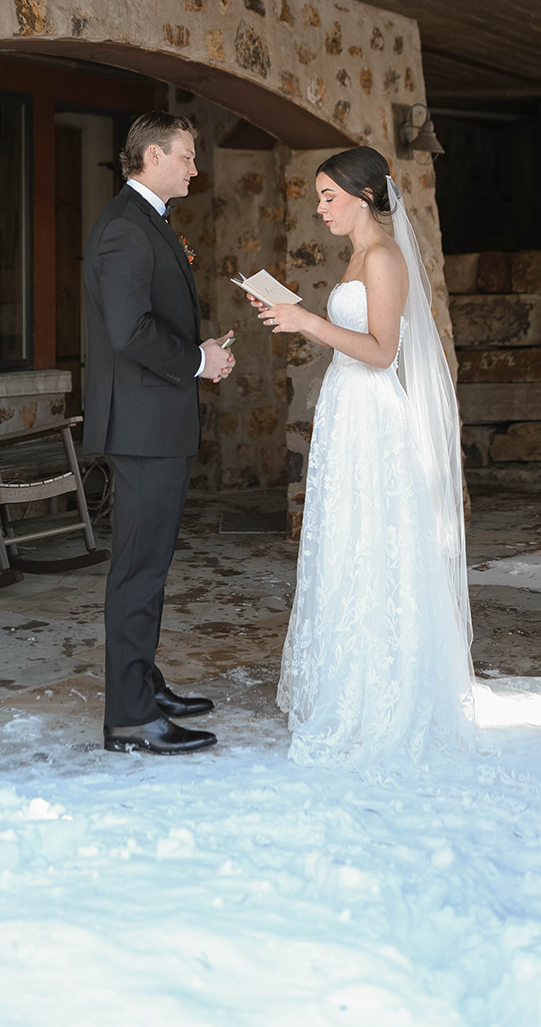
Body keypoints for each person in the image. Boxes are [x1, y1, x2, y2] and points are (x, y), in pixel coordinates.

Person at [248, 146, 474, 773]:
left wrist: (307, 323)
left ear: (365, 196)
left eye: (328, 196)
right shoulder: (359, 255)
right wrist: (300, 320)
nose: (320, 209)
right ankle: (345, 681)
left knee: (375, 546)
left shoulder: (382, 257)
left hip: (373, 417)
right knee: (346, 545)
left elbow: (381, 352)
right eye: (318, 197)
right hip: (349, 415)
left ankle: (383, 696)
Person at [83, 112, 236, 755]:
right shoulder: (125, 228)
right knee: (138, 572)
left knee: (150, 566)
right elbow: (130, 332)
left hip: (155, 422)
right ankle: (131, 717)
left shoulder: (146, 220)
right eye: (187, 157)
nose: (195, 169)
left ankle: (142, 683)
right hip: (142, 427)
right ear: (152, 154)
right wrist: (198, 360)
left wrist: (197, 352)